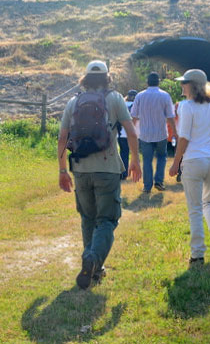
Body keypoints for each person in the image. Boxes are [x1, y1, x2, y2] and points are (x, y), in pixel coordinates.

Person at [58, 60, 141, 290]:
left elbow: (62, 138)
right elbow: (131, 132)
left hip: (80, 170)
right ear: (107, 77)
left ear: (84, 78)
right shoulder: (114, 98)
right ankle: (93, 260)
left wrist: (63, 170)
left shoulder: (73, 101)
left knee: (88, 218)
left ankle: (94, 269)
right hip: (107, 168)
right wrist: (135, 159)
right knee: (106, 220)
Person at [168, 69, 210, 266]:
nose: (181, 86)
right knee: (208, 203)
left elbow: (184, 137)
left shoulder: (186, 107)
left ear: (192, 86)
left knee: (195, 209)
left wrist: (176, 163)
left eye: (184, 83)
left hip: (193, 161)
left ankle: (197, 255)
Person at [130, 72, 177, 193]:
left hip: (145, 133)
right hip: (161, 132)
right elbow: (170, 116)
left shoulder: (140, 96)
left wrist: (131, 131)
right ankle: (159, 181)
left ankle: (147, 186)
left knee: (147, 160)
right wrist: (175, 132)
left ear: (147, 82)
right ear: (159, 82)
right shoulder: (165, 96)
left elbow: (134, 116)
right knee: (162, 157)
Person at [117, 89, 138, 179]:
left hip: (119, 133)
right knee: (131, 153)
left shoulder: (121, 105)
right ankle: (124, 173)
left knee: (122, 153)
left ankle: (121, 172)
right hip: (130, 133)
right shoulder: (135, 106)